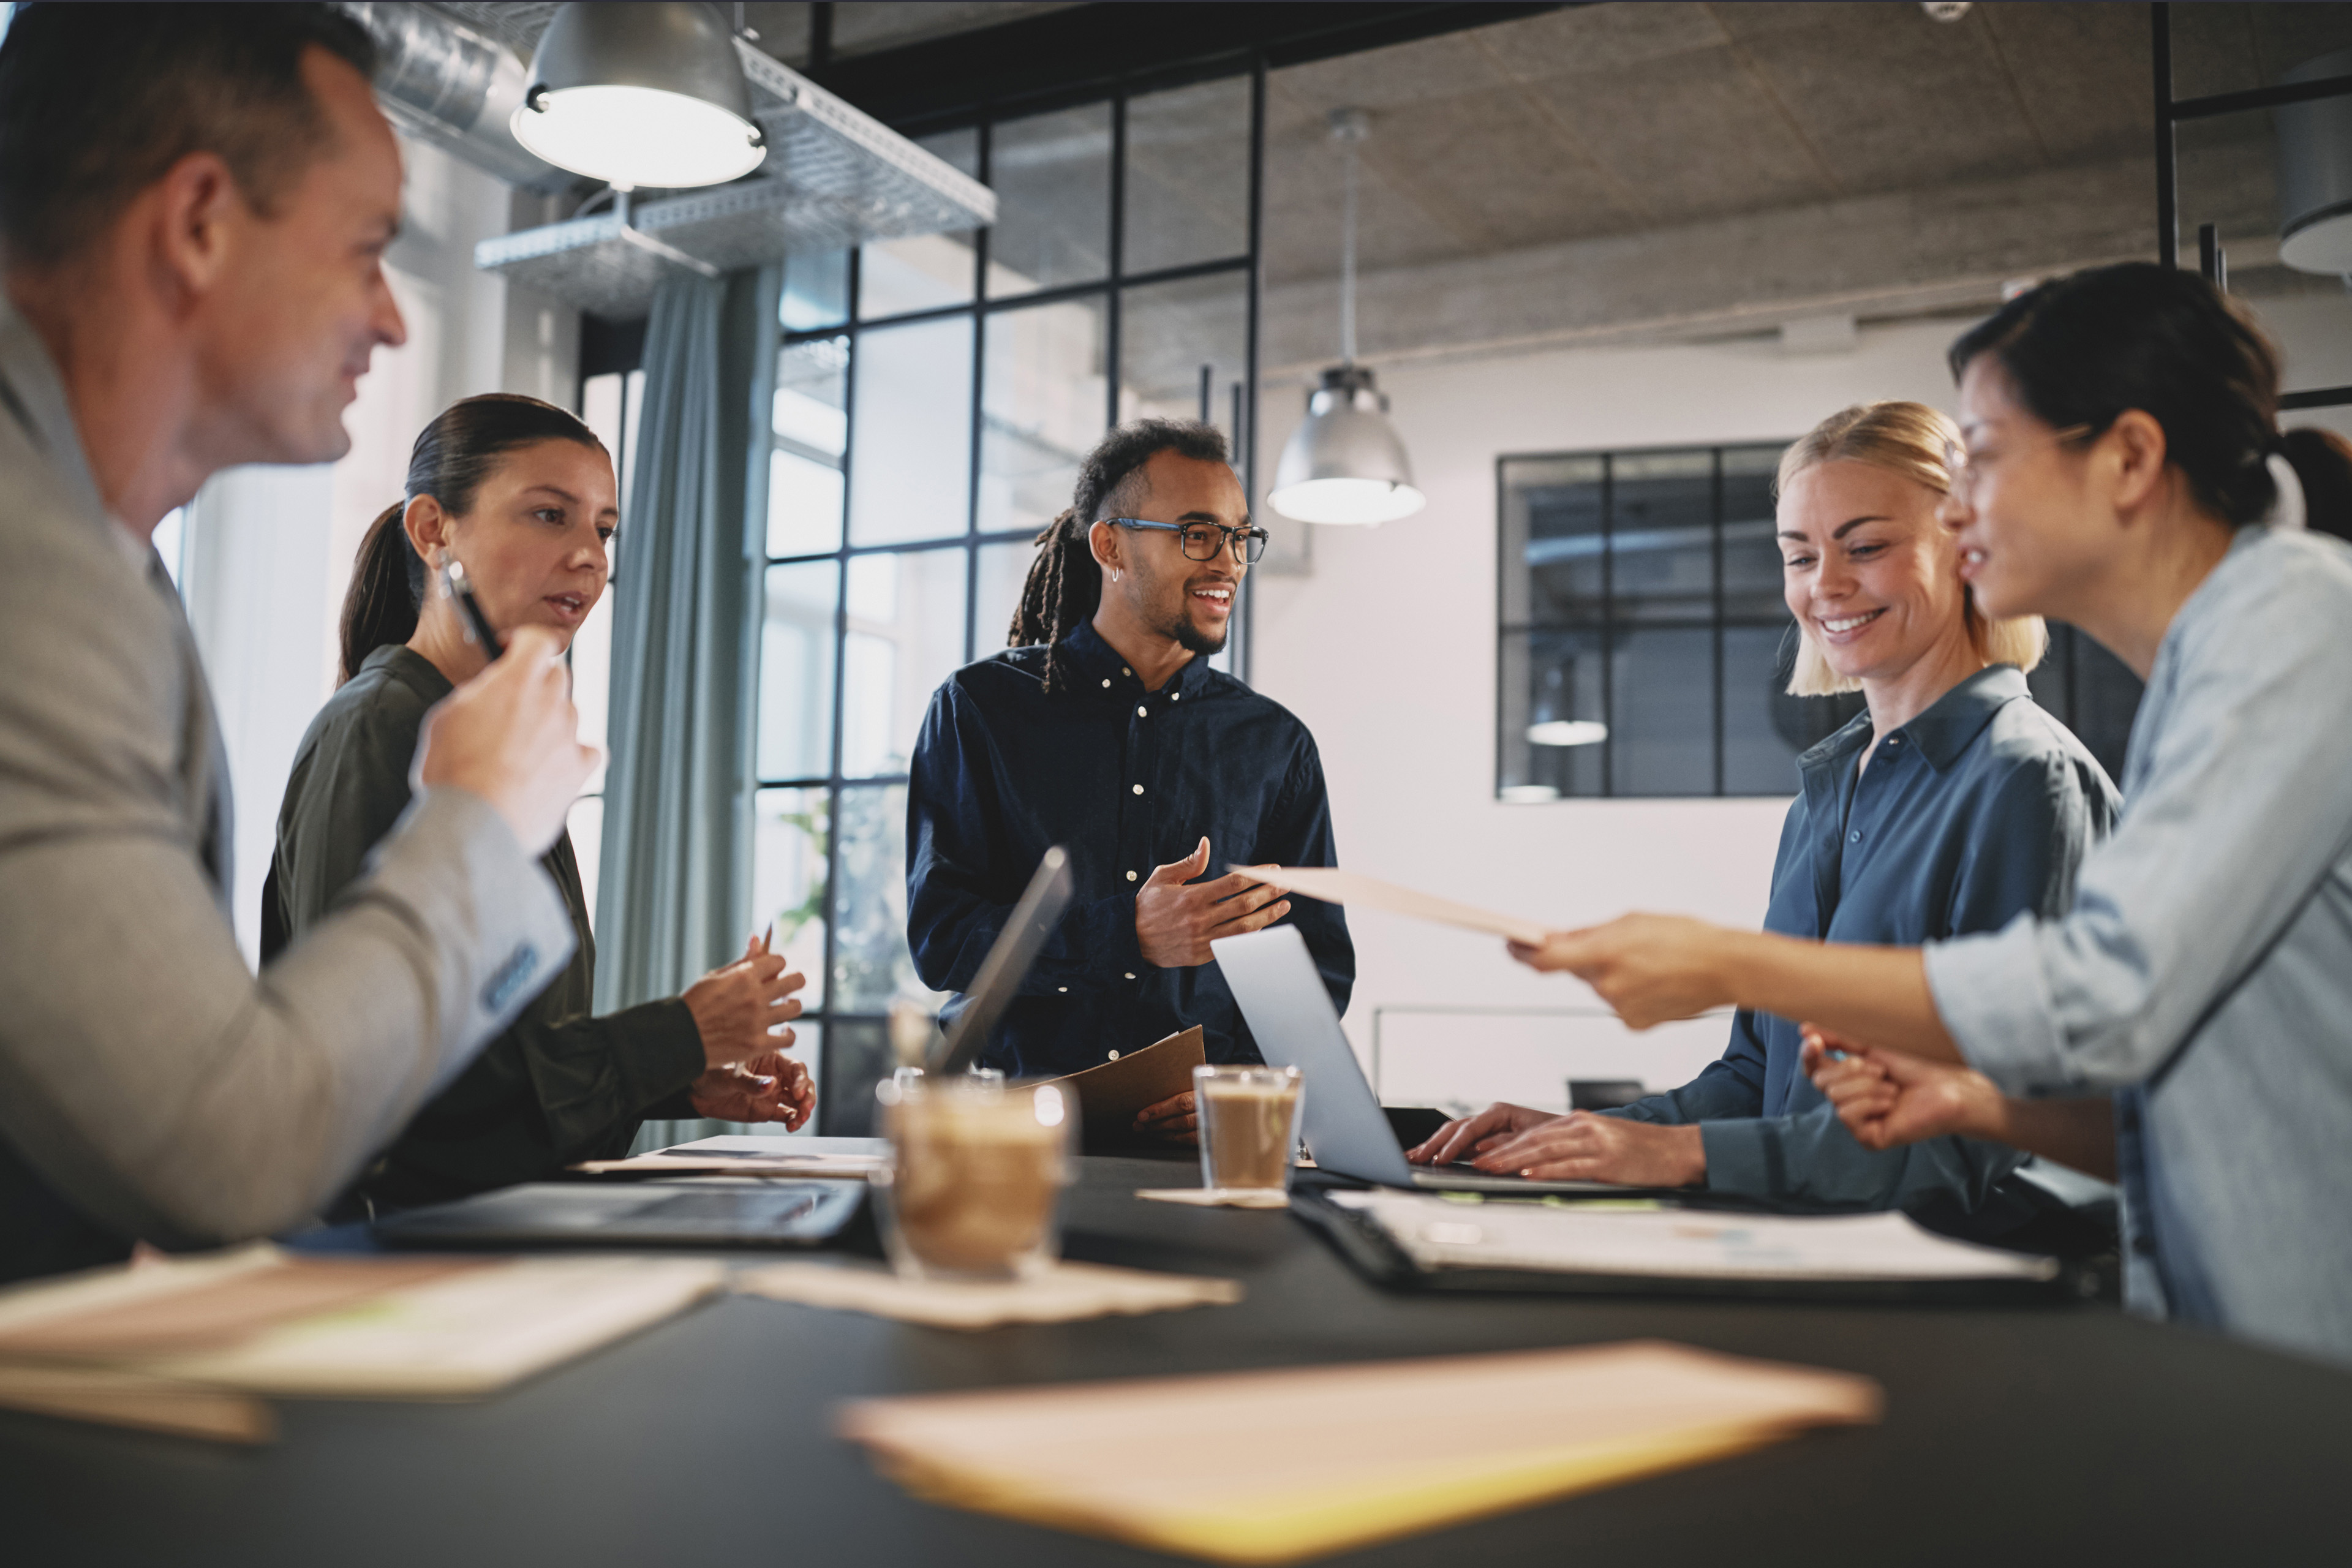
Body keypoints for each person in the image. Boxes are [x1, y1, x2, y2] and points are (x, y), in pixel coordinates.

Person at [1512, 263, 2352, 1366]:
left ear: (2133, 458)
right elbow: (2173, 1095)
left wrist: (1732, 964)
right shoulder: (2213, 664)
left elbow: (2106, 997)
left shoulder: (2291, 626)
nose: (1964, 511)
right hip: (2232, 1344)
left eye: (1987, 456)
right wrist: (1973, 1103)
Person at [0, 5, 595, 1283]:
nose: (390, 318)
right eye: (369, 250)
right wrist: (482, 821)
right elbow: (230, 1143)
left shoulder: (101, 554)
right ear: (199, 223)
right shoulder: (29, 564)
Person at [1408, 403, 2117, 1241]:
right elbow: (1756, 1078)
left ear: (1965, 547)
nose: (1826, 585)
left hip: (1963, 1287)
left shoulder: (2028, 780)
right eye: (1799, 555)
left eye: (1866, 547)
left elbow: (1975, 1149)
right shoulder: (1826, 794)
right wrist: (1587, 1135)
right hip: (1801, 1248)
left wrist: (1679, 1156)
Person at [264, 395, 813, 1216]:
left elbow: (499, 1074)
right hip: (392, 1274)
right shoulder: (382, 728)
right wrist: (677, 1034)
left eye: (604, 529)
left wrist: (682, 1080)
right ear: (432, 530)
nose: (590, 557)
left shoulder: (498, 747)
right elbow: (402, 1107)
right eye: (551, 515)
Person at [905, 420, 1352, 1139]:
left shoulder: (1277, 746)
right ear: (1110, 545)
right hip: (1003, 1138)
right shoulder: (979, 711)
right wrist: (1124, 934)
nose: (1229, 562)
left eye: (1240, 538)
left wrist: (1249, 1085)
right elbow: (944, 939)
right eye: (1198, 534)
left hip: (1198, 1153)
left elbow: (1316, 969)